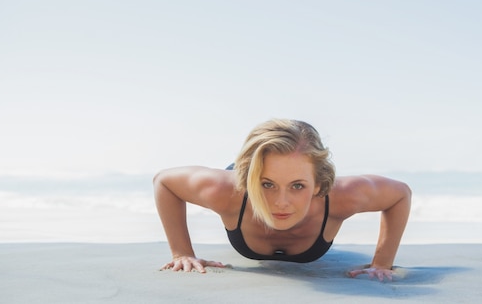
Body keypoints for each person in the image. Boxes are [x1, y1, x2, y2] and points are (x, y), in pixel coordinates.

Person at [154, 119, 411, 281]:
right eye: (267, 185)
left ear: (318, 184)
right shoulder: (227, 190)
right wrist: (182, 253)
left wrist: (382, 263)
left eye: (297, 186)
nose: (281, 202)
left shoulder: (342, 195)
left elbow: (400, 194)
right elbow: (164, 181)